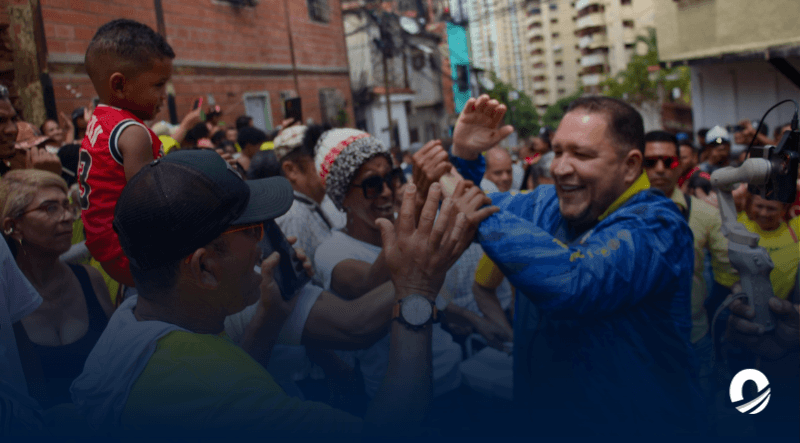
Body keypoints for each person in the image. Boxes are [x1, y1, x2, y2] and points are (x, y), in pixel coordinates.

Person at [70, 149, 476, 435]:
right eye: (252, 231)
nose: (264, 245)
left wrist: (271, 317)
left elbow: (232, 369)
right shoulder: (210, 392)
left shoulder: (137, 320)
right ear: (203, 267)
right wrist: (417, 291)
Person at [438, 95, 703, 436]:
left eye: (581, 154)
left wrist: (472, 211)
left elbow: (575, 283)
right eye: (559, 151)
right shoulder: (551, 203)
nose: (559, 167)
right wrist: (465, 156)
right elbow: (480, 203)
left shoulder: (658, 228)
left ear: (631, 165)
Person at [312, 129, 477, 402]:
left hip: (452, 377)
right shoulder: (332, 252)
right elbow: (368, 286)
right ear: (343, 198)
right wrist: (421, 197)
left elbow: (429, 295)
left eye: (391, 178)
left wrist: (478, 322)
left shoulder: (406, 222)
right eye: (372, 184)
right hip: (397, 401)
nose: (387, 192)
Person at [0, 170, 113, 408]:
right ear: (12, 226)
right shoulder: (5, 298)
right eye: (50, 208)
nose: (67, 218)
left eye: (68, 206)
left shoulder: (90, 280)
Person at [77, 19, 173, 288]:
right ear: (119, 85)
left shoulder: (100, 120)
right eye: (158, 85)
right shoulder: (133, 134)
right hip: (135, 258)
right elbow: (150, 207)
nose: (165, 95)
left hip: (108, 253)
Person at [643, 130, 738, 398]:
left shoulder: (706, 214)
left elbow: (727, 277)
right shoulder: (616, 213)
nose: (660, 169)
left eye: (668, 161)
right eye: (651, 162)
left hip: (693, 338)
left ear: (681, 163)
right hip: (638, 341)